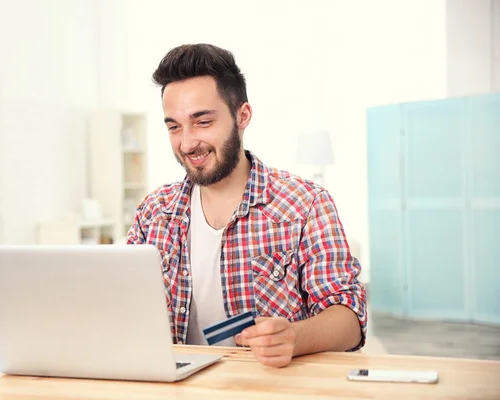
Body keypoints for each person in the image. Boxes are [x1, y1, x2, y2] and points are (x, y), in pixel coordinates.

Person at [126, 43, 367, 368]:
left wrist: (295, 337)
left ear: (243, 116)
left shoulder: (305, 204)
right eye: (174, 127)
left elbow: (350, 319)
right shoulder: (154, 212)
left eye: (202, 122)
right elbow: (122, 306)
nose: (186, 143)